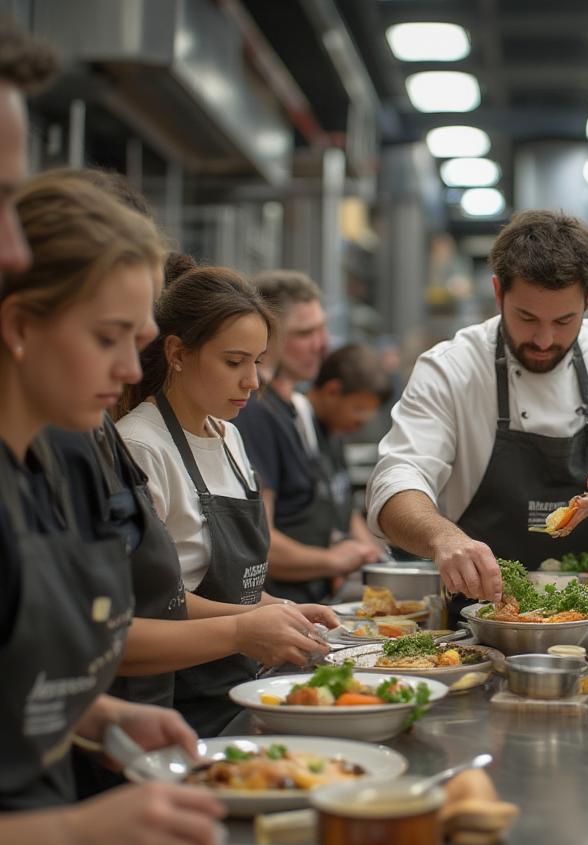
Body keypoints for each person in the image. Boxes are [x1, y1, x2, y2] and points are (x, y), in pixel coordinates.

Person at [0, 163, 223, 845]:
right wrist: (74, 839)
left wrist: (92, 711)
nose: (134, 369)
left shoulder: (45, 462)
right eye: (109, 337)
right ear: (20, 324)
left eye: (139, 338)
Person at [367, 210, 588, 604]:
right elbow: (397, 479)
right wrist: (442, 536)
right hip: (483, 611)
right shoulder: (451, 369)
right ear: (499, 292)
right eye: (527, 317)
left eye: (565, 320)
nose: (543, 339)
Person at [117, 266, 332, 736]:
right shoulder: (142, 446)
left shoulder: (230, 437)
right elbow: (156, 602)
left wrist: (281, 609)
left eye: (258, 362)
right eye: (234, 362)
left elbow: (228, 586)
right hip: (181, 702)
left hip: (241, 680)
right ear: (176, 353)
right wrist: (254, 619)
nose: (252, 381)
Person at [235, 271, 377, 603]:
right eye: (305, 333)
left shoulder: (301, 409)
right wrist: (332, 561)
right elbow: (261, 543)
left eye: (322, 328)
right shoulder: (254, 412)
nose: (322, 343)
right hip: (281, 606)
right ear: (266, 337)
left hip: (317, 599)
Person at [304, 342, 392, 556]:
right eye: (358, 409)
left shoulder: (334, 434)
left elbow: (345, 506)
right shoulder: (296, 427)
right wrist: (332, 561)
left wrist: (376, 556)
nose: (361, 421)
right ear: (333, 391)